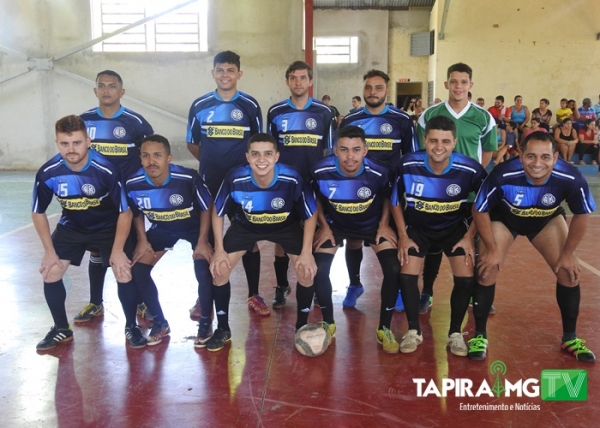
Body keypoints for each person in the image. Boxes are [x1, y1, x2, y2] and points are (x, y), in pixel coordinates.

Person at [471, 131, 596, 363]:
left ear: (555, 157)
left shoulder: (570, 177)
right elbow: (479, 209)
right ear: (520, 155)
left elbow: (582, 214)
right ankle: (479, 335)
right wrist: (492, 249)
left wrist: (569, 254)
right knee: (487, 269)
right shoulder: (503, 174)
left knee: (568, 272)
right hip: (505, 219)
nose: (537, 163)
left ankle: (570, 337)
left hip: (545, 219)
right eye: (531, 156)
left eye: (545, 157)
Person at [32, 115, 145, 350]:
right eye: (65, 144)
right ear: (57, 143)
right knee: (51, 272)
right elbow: (38, 212)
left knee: (123, 271)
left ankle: (131, 327)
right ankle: (61, 328)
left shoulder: (106, 169)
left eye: (76, 143)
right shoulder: (48, 172)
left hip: (108, 227)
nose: (71, 149)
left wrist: (117, 251)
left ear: (88, 141)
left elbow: (125, 212)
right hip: (72, 226)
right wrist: (49, 252)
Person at [208, 133, 318, 352]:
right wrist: (219, 249)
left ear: (276, 156)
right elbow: (217, 211)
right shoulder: (235, 177)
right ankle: (222, 329)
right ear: (247, 157)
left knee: (306, 271)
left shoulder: (292, 177)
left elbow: (310, 213)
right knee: (219, 270)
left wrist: (307, 252)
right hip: (246, 227)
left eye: (267, 154)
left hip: (285, 227)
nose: (261, 159)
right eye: (255, 154)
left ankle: (301, 327)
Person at [391, 116, 487, 355]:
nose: (439, 146)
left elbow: (485, 203)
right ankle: (414, 330)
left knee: (465, 279)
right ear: (424, 140)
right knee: (407, 275)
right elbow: (393, 200)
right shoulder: (407, 164)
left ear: (454, 142)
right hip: (417, 228)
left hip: (454, 228)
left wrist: (469, 236)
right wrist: (403, 235)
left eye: (445, 141)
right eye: (433, 140)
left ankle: (455, 333)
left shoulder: (470, 168)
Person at [186, 51, 266, 318]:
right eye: (220, 70)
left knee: (248, 237)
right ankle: (204, 297)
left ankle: (254, 294)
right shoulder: (200, 105)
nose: (225, 75)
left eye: (230, 70)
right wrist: (212, 164)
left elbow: (258, 145)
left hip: (242, 186)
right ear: (213, 73)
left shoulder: (250, 105)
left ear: (239, 74)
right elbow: (192, 143)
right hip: (210, 184)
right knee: (207, 241)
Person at [416, 62, 497, 314]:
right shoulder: (429, 115)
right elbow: (423, 151)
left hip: (470, 194)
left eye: (463, 82)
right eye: (454, 81)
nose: (458, 86)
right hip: (437, 191)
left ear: (470, 84)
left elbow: (489, 151)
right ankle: (427, 291)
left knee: (473, 244)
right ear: (446, 84)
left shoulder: (484, 117)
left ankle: (474, 294)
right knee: (433, 245)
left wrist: (472, 176)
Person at [310, 125, 399, 352]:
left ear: (365, 150)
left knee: (393, 268)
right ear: (335, 150)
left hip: (371, 226)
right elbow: (315, 198)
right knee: (319, 269)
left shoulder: (380, 172)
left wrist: (383, 225)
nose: (350, 156)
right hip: (336, 225)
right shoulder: (320, 170)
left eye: (356, 149)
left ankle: (384, 328)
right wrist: (324, 227)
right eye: (344, 149)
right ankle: (328, 323)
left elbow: (389, 197)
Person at [78, 70, 154, 323]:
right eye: (101, 86)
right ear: (95, 91)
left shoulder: (136, 122)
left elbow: (149, 154)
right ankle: (95, 302)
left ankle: (140, 301)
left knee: (129, 251)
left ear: (121, 92)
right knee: (96, 251)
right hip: (95, 198)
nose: (106, 90)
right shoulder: (83, 121)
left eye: (112, 86)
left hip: (126, 199)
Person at [338, 69, 417, 308]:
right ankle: (354, 284)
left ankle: (399, 289)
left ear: (387, 91)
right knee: (353, 241)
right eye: (368, 87)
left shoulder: (401, 120)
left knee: (393, 239)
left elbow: (410, 158)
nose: (373, 92)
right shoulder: (351, 119)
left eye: (378, 88)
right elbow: (340, 156)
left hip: (390, 195)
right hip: (357, 193)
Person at [125, 135, 212, 346]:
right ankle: (160, 322)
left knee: (204, 269)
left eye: (157, 155)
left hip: (194, 228)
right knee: (138, 270)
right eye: (146, 156)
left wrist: (202, 240)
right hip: (163, 228)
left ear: (168, 158)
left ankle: (206, 321)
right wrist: (142, 240)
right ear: (140, 158)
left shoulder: (187, 177)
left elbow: (206, 207)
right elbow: (135, 212)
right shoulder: (133, 183)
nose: (151, 161)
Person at [266, 60, 334, 308]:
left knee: (314, 234)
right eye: (293, 77)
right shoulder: (275, 111)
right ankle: (282, 285)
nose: (298, 82)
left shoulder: (324, 112)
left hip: (314, 184)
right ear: (287, 81)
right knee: (282, 236)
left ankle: (313, 282)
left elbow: (328, 150)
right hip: (284, 186)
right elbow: (269, 150)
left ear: (310, 81)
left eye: (303, 77)